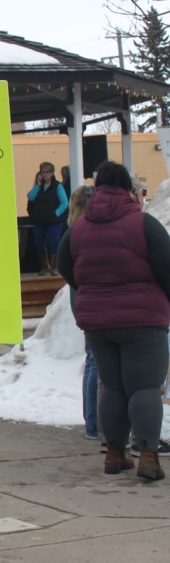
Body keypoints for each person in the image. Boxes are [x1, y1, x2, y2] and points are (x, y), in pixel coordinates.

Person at [58, 161, 170, 481]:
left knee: (114, 387)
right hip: (143, 320)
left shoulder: (78, 229)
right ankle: (148, 456)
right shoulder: (143, 224)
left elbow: (66, 268)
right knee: (145, 387)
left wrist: (92, 289)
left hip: (98, 324)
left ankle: (115, 455)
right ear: (127, 189)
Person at [66, 185, 98, 441]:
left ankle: (91, 420)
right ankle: (95, 423)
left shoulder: (72, 232)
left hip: (81, 300)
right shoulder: (87, 231)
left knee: (91, 362)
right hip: (92, 300)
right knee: (96, 363)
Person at [26, 161, 69, 275]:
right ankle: (45, 266)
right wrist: (38, 185)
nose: (45, 175)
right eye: (43, 172)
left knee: (54, 242)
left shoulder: (58, 186)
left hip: (54, 221)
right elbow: (30, 197)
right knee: (39, 243)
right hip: (39, 221)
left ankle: (54, 267)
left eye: (48, 172)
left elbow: (64, 203)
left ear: (52, 173)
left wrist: (55, 213)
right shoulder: (38, 187)